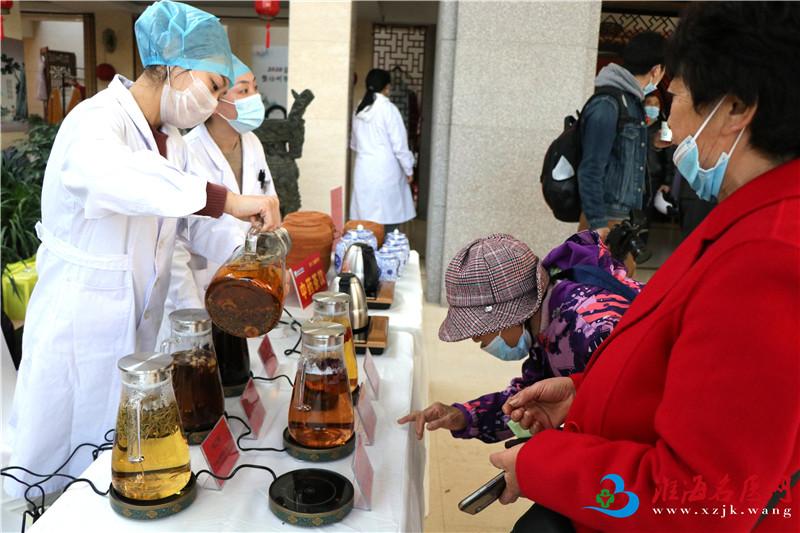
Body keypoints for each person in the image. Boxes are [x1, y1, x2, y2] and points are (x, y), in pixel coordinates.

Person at [489, 4, 800, 532]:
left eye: (676, 100)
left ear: (735, 109)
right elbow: (687, 376)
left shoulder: (768, 259)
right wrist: (585, 394)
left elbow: (701, 503)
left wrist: (541, 465)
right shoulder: (747, 219)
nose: (670, 127)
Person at [5, 0, 279, 497]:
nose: (214, 102)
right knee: (59, 471)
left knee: (119, 463)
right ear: (174, 66)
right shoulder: (96, 120)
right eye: (213, 85)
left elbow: (190, 224)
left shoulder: (171, 141)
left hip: (135, 328)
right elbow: (121, 179)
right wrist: (228, 199)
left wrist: (254, 249)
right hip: (81, 324)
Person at [398, 231, 642, 442]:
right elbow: (529, 400)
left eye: (479, 328)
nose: (475, 339)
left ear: (510, 315)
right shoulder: (546, 322)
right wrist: (463, 416)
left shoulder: (591, 325)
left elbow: (629, 411)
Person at [166, 55, 276, 316]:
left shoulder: (252, 143)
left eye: (255, 88)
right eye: (243, 91)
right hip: (202, 285)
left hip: (248, 282)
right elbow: (174, 245)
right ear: (214, 100)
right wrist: (191, 308)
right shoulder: (187, 152)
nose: (255, 98)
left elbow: (265, 194)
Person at [577, 31, 666, 274]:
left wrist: (652, 142)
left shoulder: (630, 102)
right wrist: (597, 223)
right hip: (605, 217)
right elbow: (590, 167)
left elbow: (621, 153)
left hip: (622, 218)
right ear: (656, 70)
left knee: (620, 283)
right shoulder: (608, 103)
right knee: (606, 287)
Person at [350, 68, 415, 234]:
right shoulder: (389, 109)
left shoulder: (359, 109)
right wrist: (408, 169)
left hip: (364, 170)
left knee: (365, 224)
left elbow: (355, 144)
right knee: (389, 223)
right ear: (387, 87)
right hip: (387, 171)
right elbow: (400, 146)